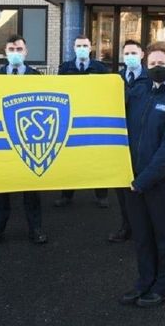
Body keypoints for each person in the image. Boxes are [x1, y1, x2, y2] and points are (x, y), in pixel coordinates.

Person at [119, 42, 165, 308]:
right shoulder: (138, 90)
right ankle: (144, 281)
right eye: (152, 64)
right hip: (134, 179)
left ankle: (163, 287)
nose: (157, 68)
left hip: (162, 180)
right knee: (141, 235)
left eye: (162, 64)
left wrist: (142, 181)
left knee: (164, 235)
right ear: (145, 65)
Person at [0, 35, 47, 245]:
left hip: (29, 140)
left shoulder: (37, 77)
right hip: (2, 140)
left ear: (26, 51)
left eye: (19, 49)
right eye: (12, 49)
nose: (15, 52)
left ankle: (36, 229)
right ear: (5, 51)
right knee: (1, 190)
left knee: (32, 190)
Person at [53, 35, 110, 208]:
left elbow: (105, 92)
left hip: (94, 119)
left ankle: (101, 195)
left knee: (97, 157)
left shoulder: (100, 68)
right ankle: (66, 195)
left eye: (85, 45)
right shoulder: (65, 68)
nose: (82, 48)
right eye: (79, 45)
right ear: (73, 47)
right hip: (71, 117)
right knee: (69, 157)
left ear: (91, 48)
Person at [108, 39, 150, 243]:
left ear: (142, 55)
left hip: (142, 142)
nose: (130, 57)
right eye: (126, 54)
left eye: (134, 53)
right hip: (119, 142)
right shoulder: (115, 80)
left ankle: (143, 228)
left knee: (142, 188)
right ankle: (126, 227)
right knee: (123, 190)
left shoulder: (151, 79)